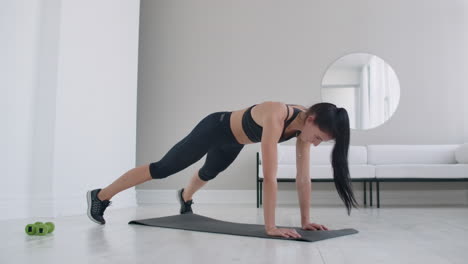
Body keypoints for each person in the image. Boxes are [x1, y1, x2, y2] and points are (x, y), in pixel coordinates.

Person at [86, 101, 358, 239]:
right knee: (163, 168)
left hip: (234, 142)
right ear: (311, 120)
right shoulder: (278, 115)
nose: (317, 143)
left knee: (208, 174)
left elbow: (302, 178)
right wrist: (271, 227)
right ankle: (100, 196)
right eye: (319, 137)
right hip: (215, 128)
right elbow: (271, 177)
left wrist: (305, 221)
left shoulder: (304, 128)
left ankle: (186, 198)